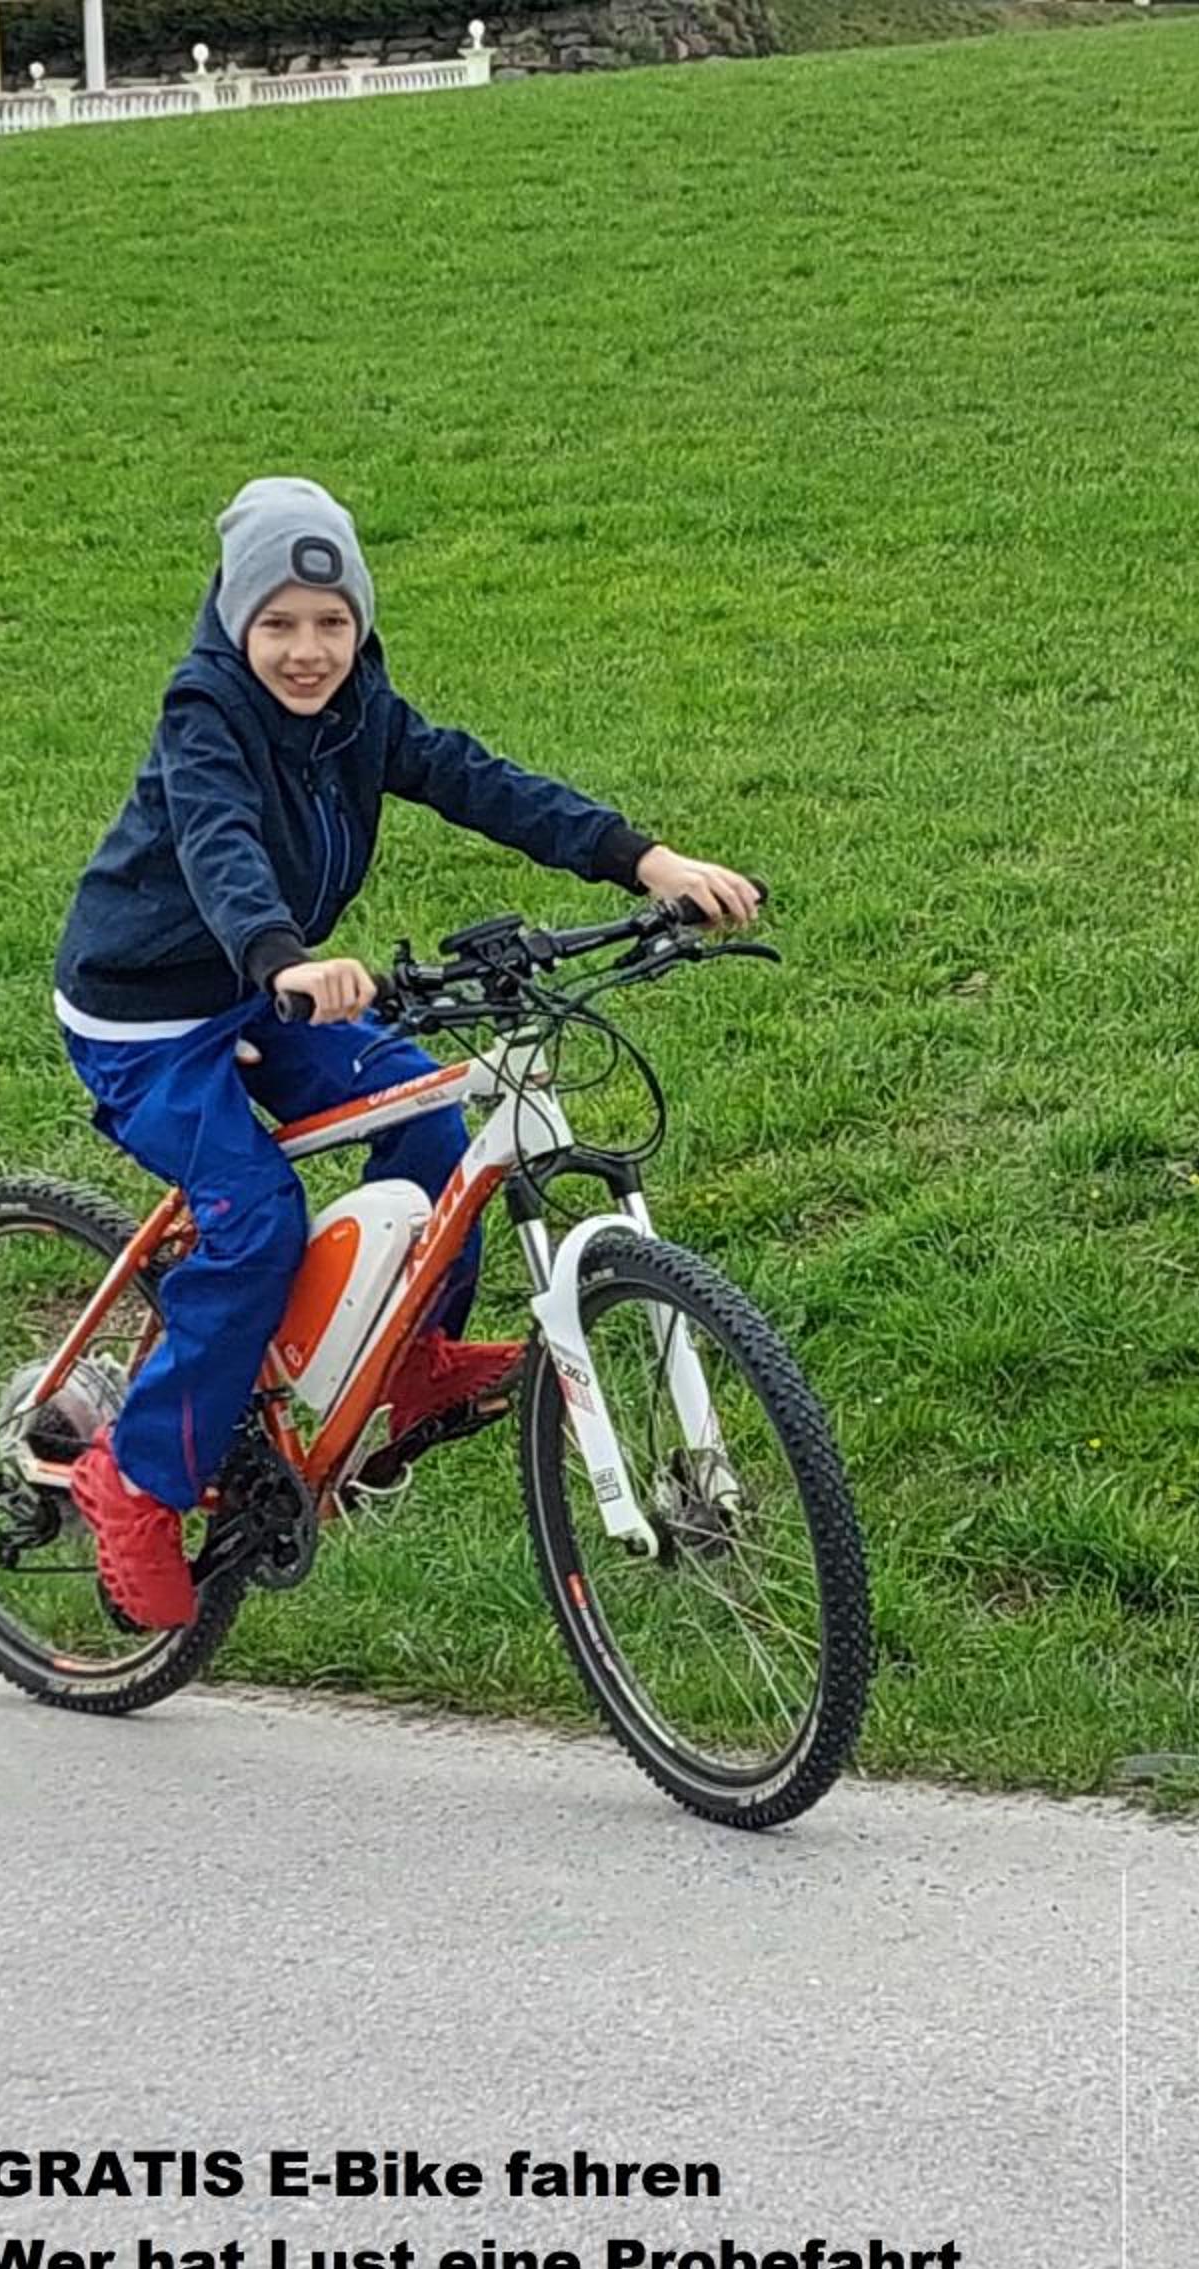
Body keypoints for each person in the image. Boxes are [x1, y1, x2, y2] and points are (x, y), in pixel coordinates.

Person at [56, 476, 761, 1631]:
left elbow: (481, 782)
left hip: (267, 986)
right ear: (235, 622)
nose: (306, 650)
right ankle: (133, 1480)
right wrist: (282, 956)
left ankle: (415, 1358)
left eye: (331, 622)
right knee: (254, 1222)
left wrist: (645, 860)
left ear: (361, 624)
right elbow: (220, 844)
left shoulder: (360, 712)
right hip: (151, 1016)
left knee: (430, 1114)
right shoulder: (204, 715)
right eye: (278, 623)